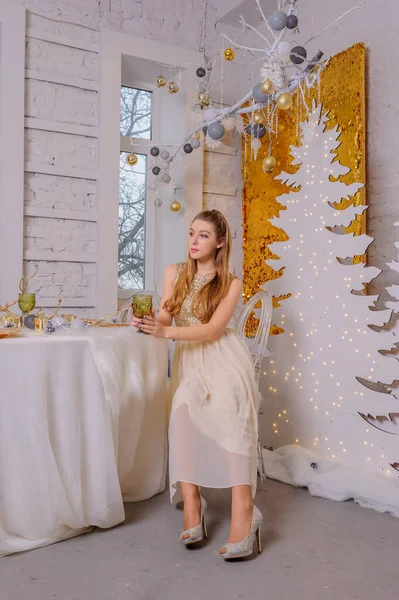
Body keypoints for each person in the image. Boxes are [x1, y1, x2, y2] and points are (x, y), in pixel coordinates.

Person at [132, 209, 262, 560]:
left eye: (203, 235)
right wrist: (150, 321)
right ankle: (192, 503)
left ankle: (245, 510)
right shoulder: (174, 272)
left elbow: (213, 329)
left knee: (233, 421)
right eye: (192, 233)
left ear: (220, 242)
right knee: (182, 417)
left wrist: (167, 331)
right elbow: (166, 313)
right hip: (191, 361)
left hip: (223, 359)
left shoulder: (232, 283)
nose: (193, 240)